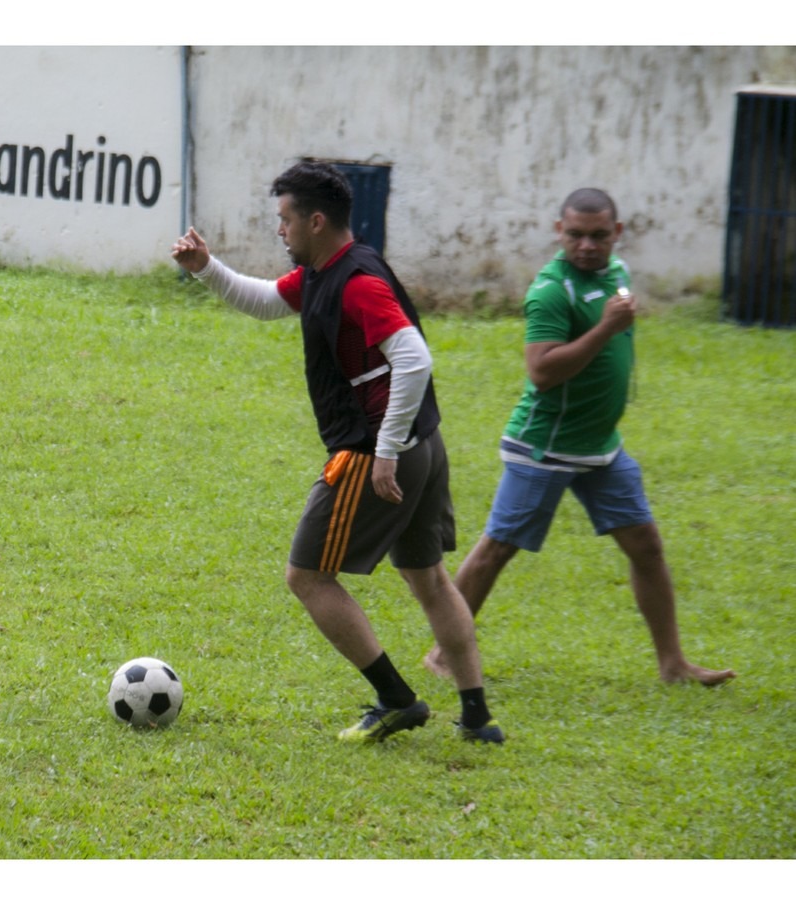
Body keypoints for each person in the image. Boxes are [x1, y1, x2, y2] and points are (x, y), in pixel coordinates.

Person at [171, 162, 503, 744]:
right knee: (427, 576)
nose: (280, 230)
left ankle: (397, 699)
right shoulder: (328, 270)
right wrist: (208, 270)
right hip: (425, 441)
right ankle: (477, 716)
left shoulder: (357, 282)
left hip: (374, 451)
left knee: (307, 576)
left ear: (316, 221)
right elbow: (269, 300)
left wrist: (386, 451)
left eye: (285, 219)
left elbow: (415, 359)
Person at [423, 188, 735, 687]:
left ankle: (673, 664)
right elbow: (542, 372)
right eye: (575, 235)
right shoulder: (551, 290)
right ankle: (442, 653)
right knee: (497, 549)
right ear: (558, 232)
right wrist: (607, 329)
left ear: (617, 232)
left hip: (600, 447)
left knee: (647, 546)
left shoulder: (618, 273)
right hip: (544, 447)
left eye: (597, 235)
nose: (586, 245)